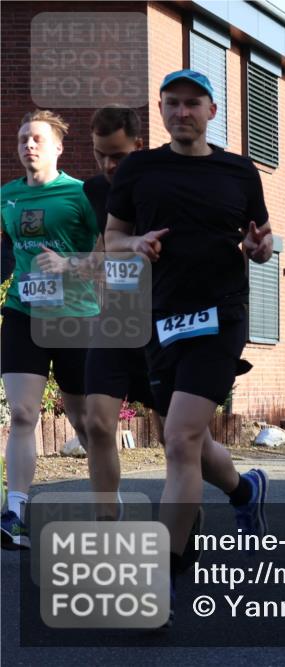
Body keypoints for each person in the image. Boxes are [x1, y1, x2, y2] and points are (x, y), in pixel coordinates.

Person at [104, 70, 272, 619]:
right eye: (172, 104)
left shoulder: (239, 170)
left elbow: (262, 245)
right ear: (160, 110)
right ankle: (244, 490)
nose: (182, 112)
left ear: (212, 111)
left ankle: (165, 577)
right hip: (159, 318)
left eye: (192, 103)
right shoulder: (138, 169)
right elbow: (112, 240)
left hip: (221, 316)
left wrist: (257, 246)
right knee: (190, 440)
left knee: (178, 441)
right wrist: (136, 243)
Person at [1, 110, 99, 549]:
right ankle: (16, 512)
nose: (29, 146)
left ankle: (106, 509)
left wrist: (68, 265)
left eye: (37, 139)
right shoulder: (7, 197)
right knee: (23, 414)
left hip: (76, 315)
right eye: (23, 139)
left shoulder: (80, 196)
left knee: (85, 421)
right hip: (24, 312)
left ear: (58, 147)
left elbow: (111, 258)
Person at [77, 106, 148, 521]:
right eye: (100, 154)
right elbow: (94, 247)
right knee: (99, 423)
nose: (108, 165)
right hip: (114, 321)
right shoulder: (93, 191)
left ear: (138, 146)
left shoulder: (159, 185)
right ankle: (107, 522)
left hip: (161, 323)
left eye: (117, 156)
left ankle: (239, 487)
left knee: (183, 437)